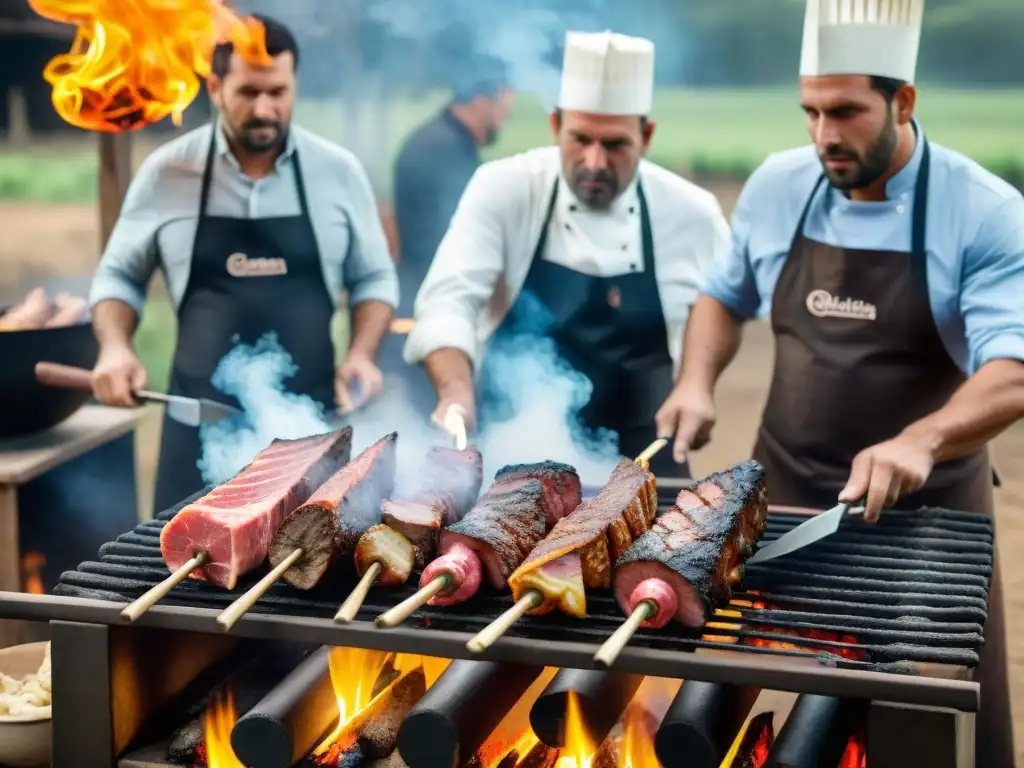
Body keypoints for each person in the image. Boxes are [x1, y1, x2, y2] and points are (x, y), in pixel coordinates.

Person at [656, 1, 1023, 764]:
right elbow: (722, 298)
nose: (825, 133)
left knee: (928, 731)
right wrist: (696, 382)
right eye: (811, 111)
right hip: (784, 499)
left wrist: (921, 440)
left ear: (904, 101)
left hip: (927, 523)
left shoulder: (982, 211)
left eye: (847, 111)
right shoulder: (779, 186)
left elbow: (1014, 369)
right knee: (715, 719)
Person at [87, 14, 398, 512]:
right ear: (214, 86)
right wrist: (115, 348)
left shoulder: (337, 173)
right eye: (248, 92)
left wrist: (362, 353)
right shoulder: (168, 172)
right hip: (197, 431)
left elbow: (374, 279)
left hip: (309, 429)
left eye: (277, 92)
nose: (264, 108)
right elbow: (119, 277)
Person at [403, 31, 731, 479]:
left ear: (646, 135)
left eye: (615, 144)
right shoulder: (504, 187)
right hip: (517, 450)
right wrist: (455, 391)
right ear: (556, 126)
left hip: (648, 453)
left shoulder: (690, 212)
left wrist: (697, 384)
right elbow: (447, 299)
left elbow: (721, 308)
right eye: (581, 139)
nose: (595, 162)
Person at [392, 64, 516, 318]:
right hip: (434, 301)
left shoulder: (441, 140)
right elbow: (463, 237)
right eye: (503, 107)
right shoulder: (444, 152)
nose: (505, 117)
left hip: (424, 292)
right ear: (482, 101)